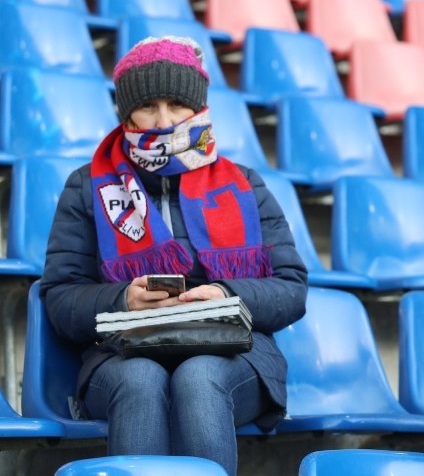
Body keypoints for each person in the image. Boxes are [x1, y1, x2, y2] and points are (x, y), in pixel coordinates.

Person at [40, 36, 308, 476]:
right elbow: (60, 297)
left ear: (198, 109)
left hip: (235, 352)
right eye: (149, 106)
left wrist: (225, 294)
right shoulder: (86, 186)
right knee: (142, 380)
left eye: (177, 105)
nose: (164, 121)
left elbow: (291, 289)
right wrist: (122, 301)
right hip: (121, 356)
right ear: (126, 113)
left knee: (198, 378)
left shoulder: (244, 183)